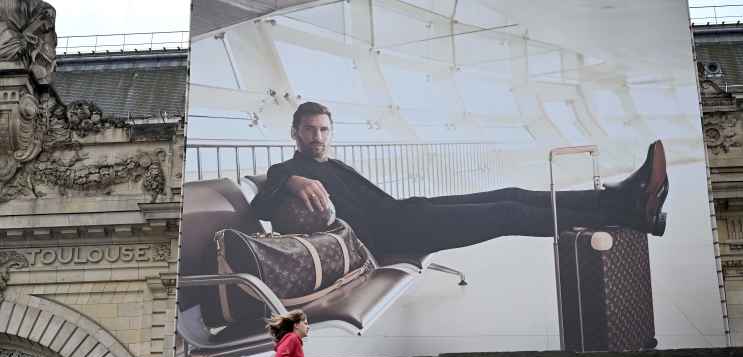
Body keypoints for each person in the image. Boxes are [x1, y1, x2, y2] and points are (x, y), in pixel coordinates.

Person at [252, 102, 669, 257]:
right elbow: (262, 204)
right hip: (389, 238)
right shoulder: (287, 172)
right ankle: (630, 210)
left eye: (324, 129)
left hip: (405, 212)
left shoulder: (333, 165)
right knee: (507, 213)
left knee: (511, 192)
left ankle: (620, 203)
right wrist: (290, 182)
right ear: (294, 133)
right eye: (309, 130)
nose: (317, 137)